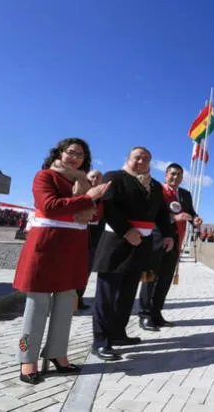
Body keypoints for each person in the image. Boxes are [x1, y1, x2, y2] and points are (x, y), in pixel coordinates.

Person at [13, 138, 110, 384]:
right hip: (46, 246)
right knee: (36, 307)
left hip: (73, 248)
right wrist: (89, 197)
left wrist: (94, 198)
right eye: (71, 152)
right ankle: (27, 358)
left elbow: (95, 215)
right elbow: (49, 205)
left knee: (66, 305)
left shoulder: (86, 182)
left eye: (81, 155)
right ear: (59, 153)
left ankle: (58, 354)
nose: (76, 158)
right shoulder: (45, 176)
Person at [90, 147, 175, 361]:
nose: (141, 161)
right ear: (128, 159)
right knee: (107, 295)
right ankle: (100, 341)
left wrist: (167, 234)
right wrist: (127, 231)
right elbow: (108, 206)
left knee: (128, 293)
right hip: (116, 243)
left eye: (146, 159)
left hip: (142, 246)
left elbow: (162, 213)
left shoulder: (154, 186)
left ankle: (118, 333)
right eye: (137, 157)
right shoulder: (115, 177)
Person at [139, 163, 202, 330]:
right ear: (166, 175)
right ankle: (144, 315)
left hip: (175, 243)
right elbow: (150, 212)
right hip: (154, 241)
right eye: (173, 174)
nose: (176, 178)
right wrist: (174, 217)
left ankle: (156, 313)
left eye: (179, 175)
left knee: (165, 279)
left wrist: (195, 219)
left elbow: (191, 212)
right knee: (149, 278)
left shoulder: (186, 194)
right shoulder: (156, 189)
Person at [76, 170, 105, 310]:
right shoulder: (78, 193)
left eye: (98, 177)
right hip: (76, 237)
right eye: (92, 176)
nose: (95, 179)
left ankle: (78, 298)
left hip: (94, 240)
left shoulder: (105, 198)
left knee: (85, 271)